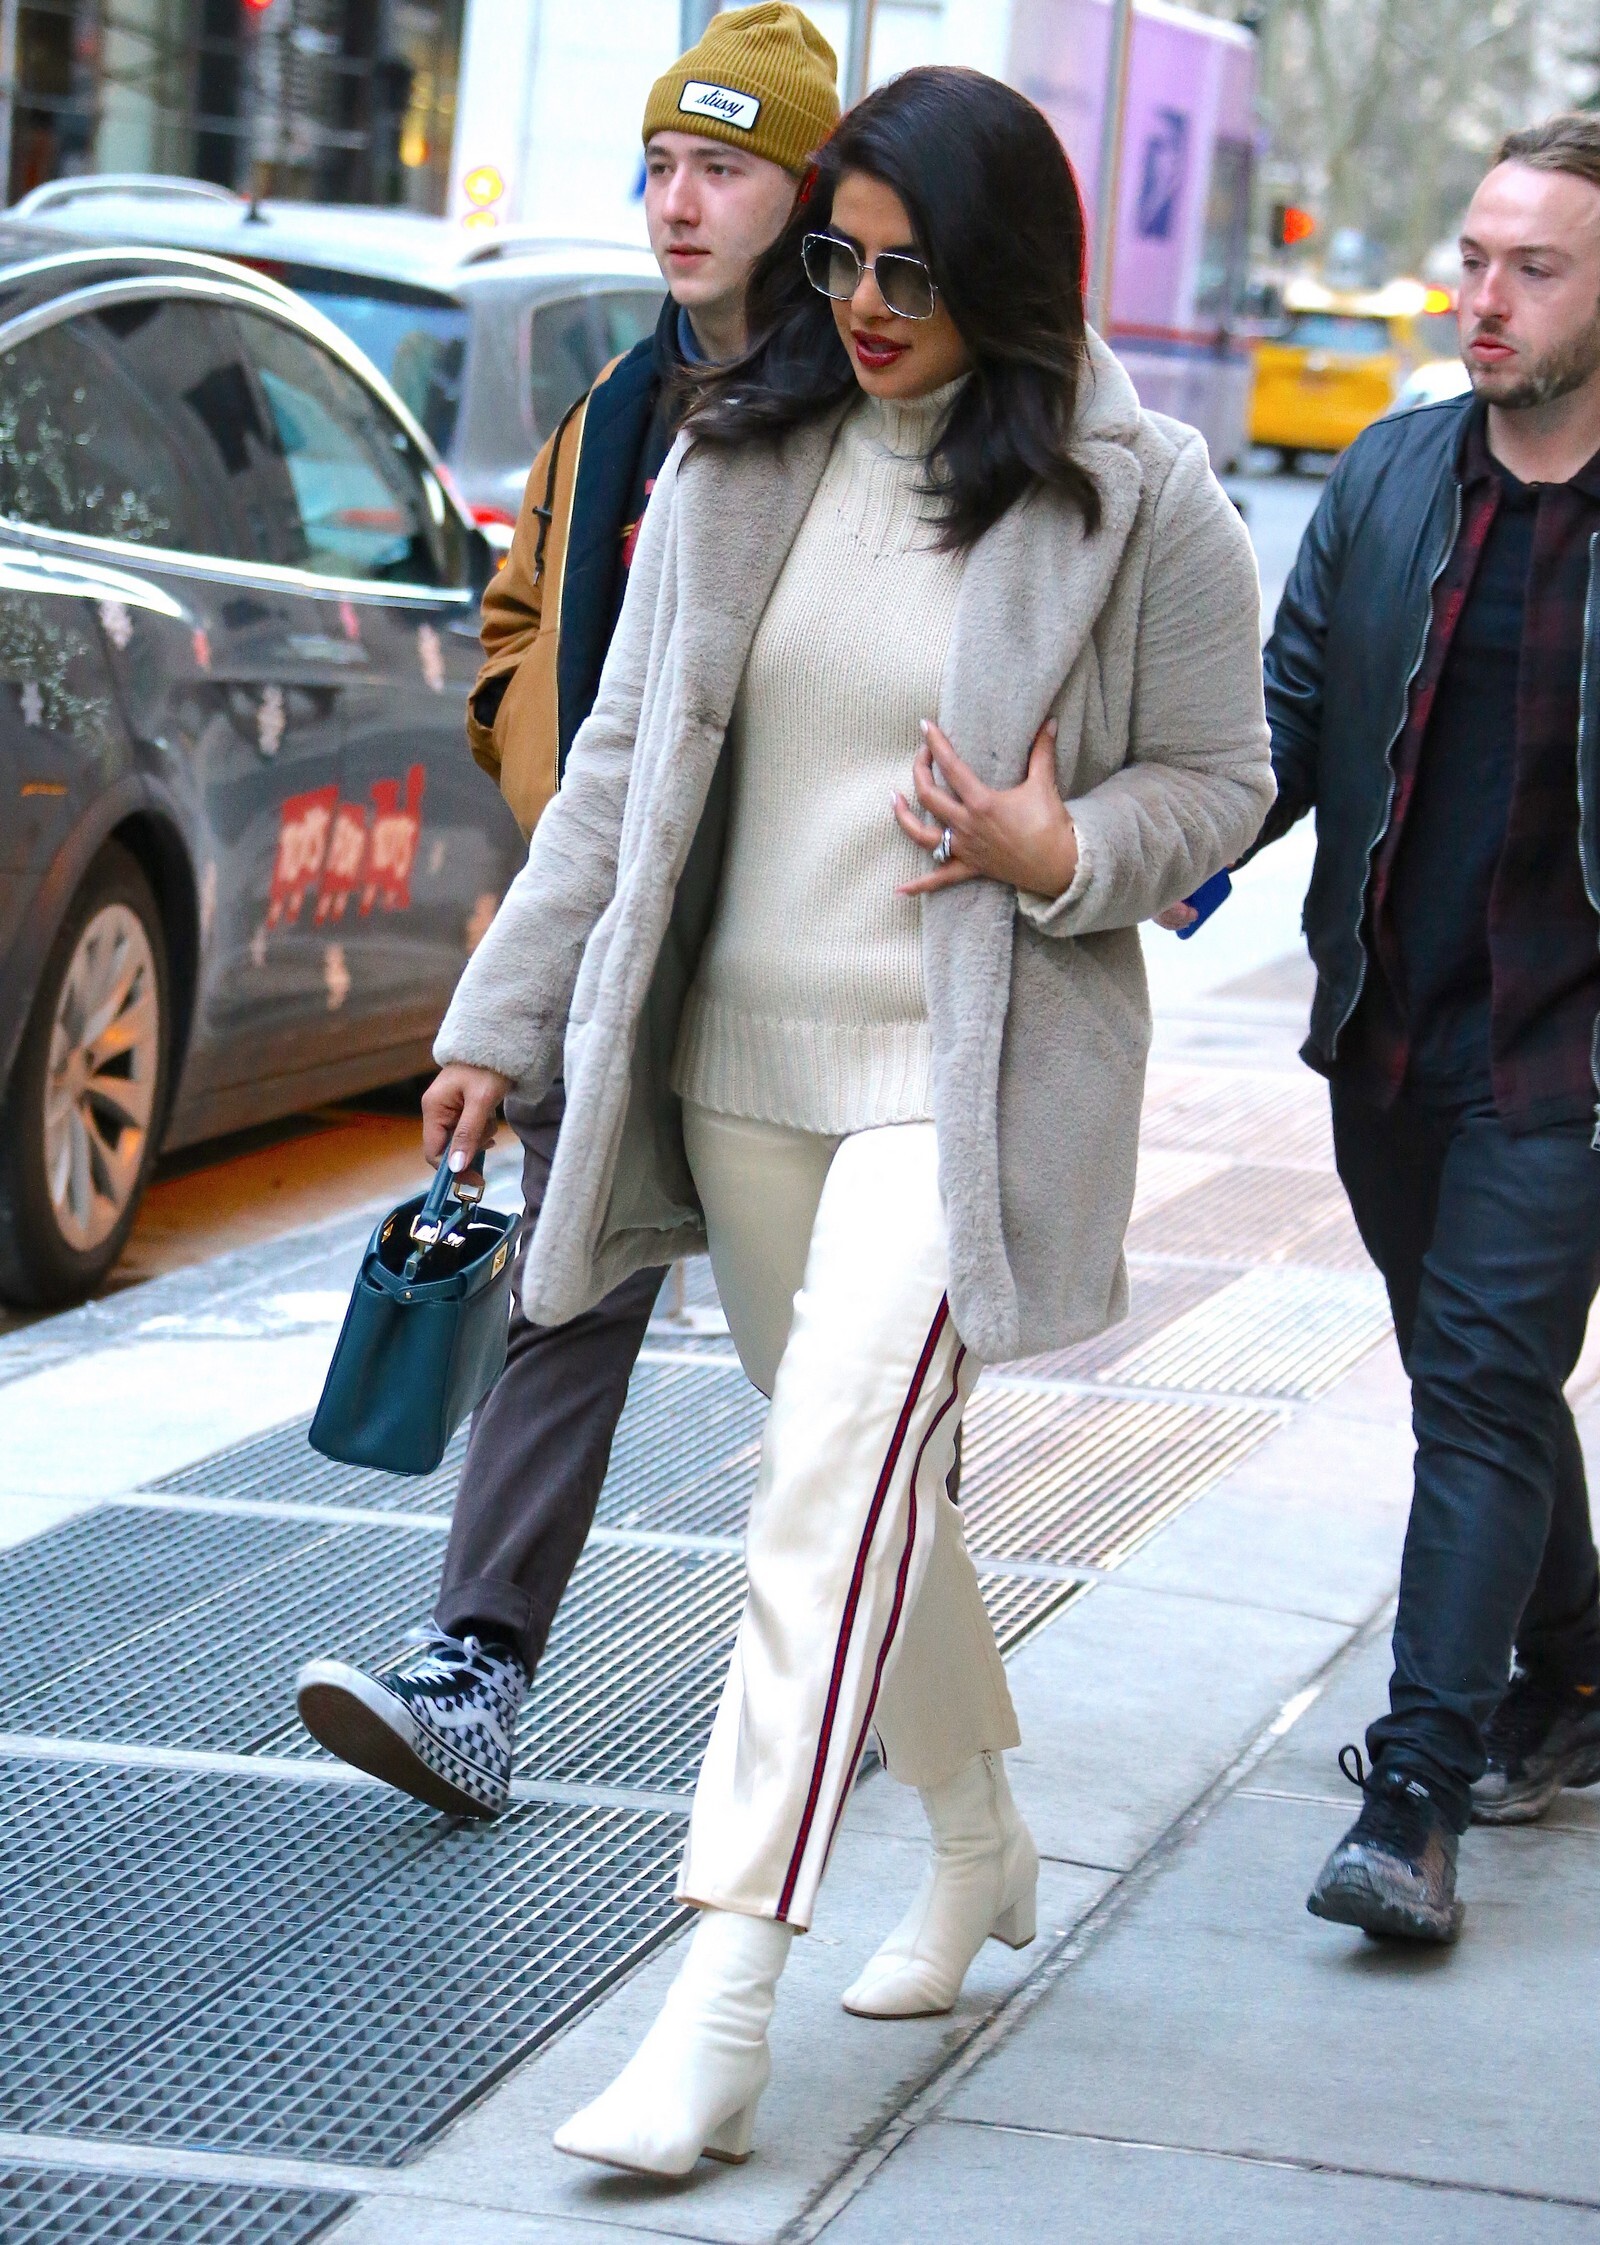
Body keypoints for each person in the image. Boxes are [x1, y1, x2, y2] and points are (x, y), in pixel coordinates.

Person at [424, 65, 1271, 2176]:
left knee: (816, 1487)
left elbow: (1222, 779)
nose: (867, 307)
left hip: (953, 1078)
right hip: (736, 1074)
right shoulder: (740, 452)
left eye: (911, 271)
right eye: (842, 261)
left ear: (1008, 270)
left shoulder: (1135, 489)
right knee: (871, 1488)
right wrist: (500, 1016)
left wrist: (1056, 843)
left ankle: (716, 2003)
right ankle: (979, 1838)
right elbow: (619, 767)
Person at [294, 5, 841, 1818]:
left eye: (724, 169)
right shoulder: (612, 411)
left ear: (807, 192)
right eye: (661, 168)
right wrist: (538, 780)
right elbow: (524, 622)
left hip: (802, 959)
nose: (679, 204)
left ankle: (881, 1672)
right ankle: (477, 1663)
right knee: (565, 1284)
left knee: (840, 1344)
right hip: (610, 931)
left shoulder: (864, 410)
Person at [1240, 115, 1600, 1946]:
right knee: (1483, 1381)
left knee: (1474, 1388)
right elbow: (1286, 722)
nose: (1485, 297)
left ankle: (1415, 1795)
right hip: (1390, 1038)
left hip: (1568, 1059)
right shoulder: (1389, 478)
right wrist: (1129, 855)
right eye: (1475, 259)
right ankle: (1581, 1666)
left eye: (1535, 267)